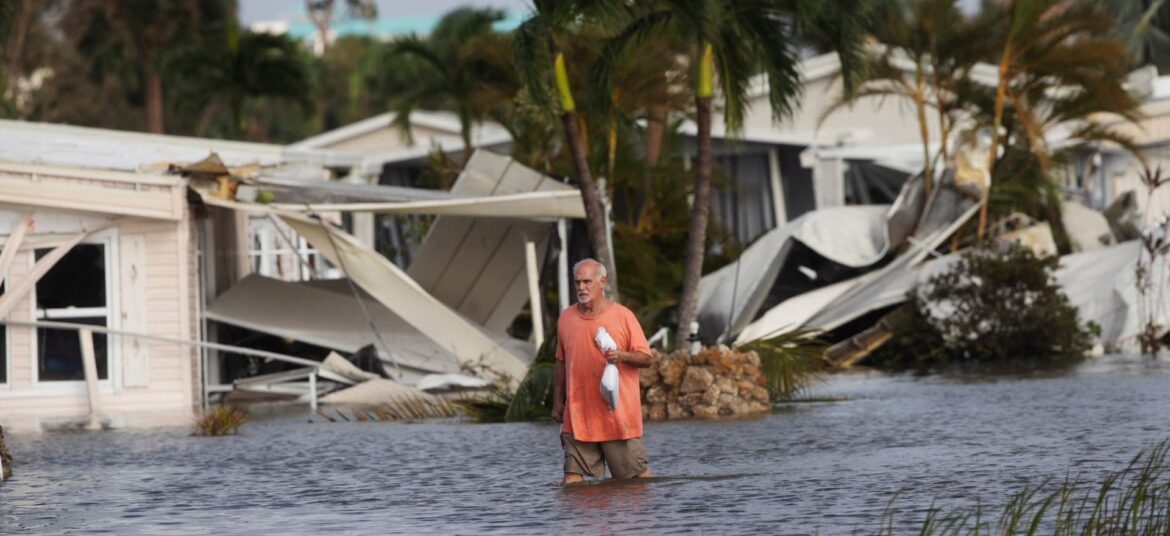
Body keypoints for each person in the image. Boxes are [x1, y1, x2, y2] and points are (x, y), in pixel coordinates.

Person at [552, 258, 654, 484]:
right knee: (571, 482)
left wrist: (623, 356)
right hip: (577, 416)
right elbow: (560, 361)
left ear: (602, 282)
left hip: (616, 417)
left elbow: (646, 359)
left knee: (637, 482)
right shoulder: (565, 318)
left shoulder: (623, 316)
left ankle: (641, 519)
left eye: (587, 282)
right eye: (577, 282)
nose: (581, 287)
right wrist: (557, 401)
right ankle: (580, 521)